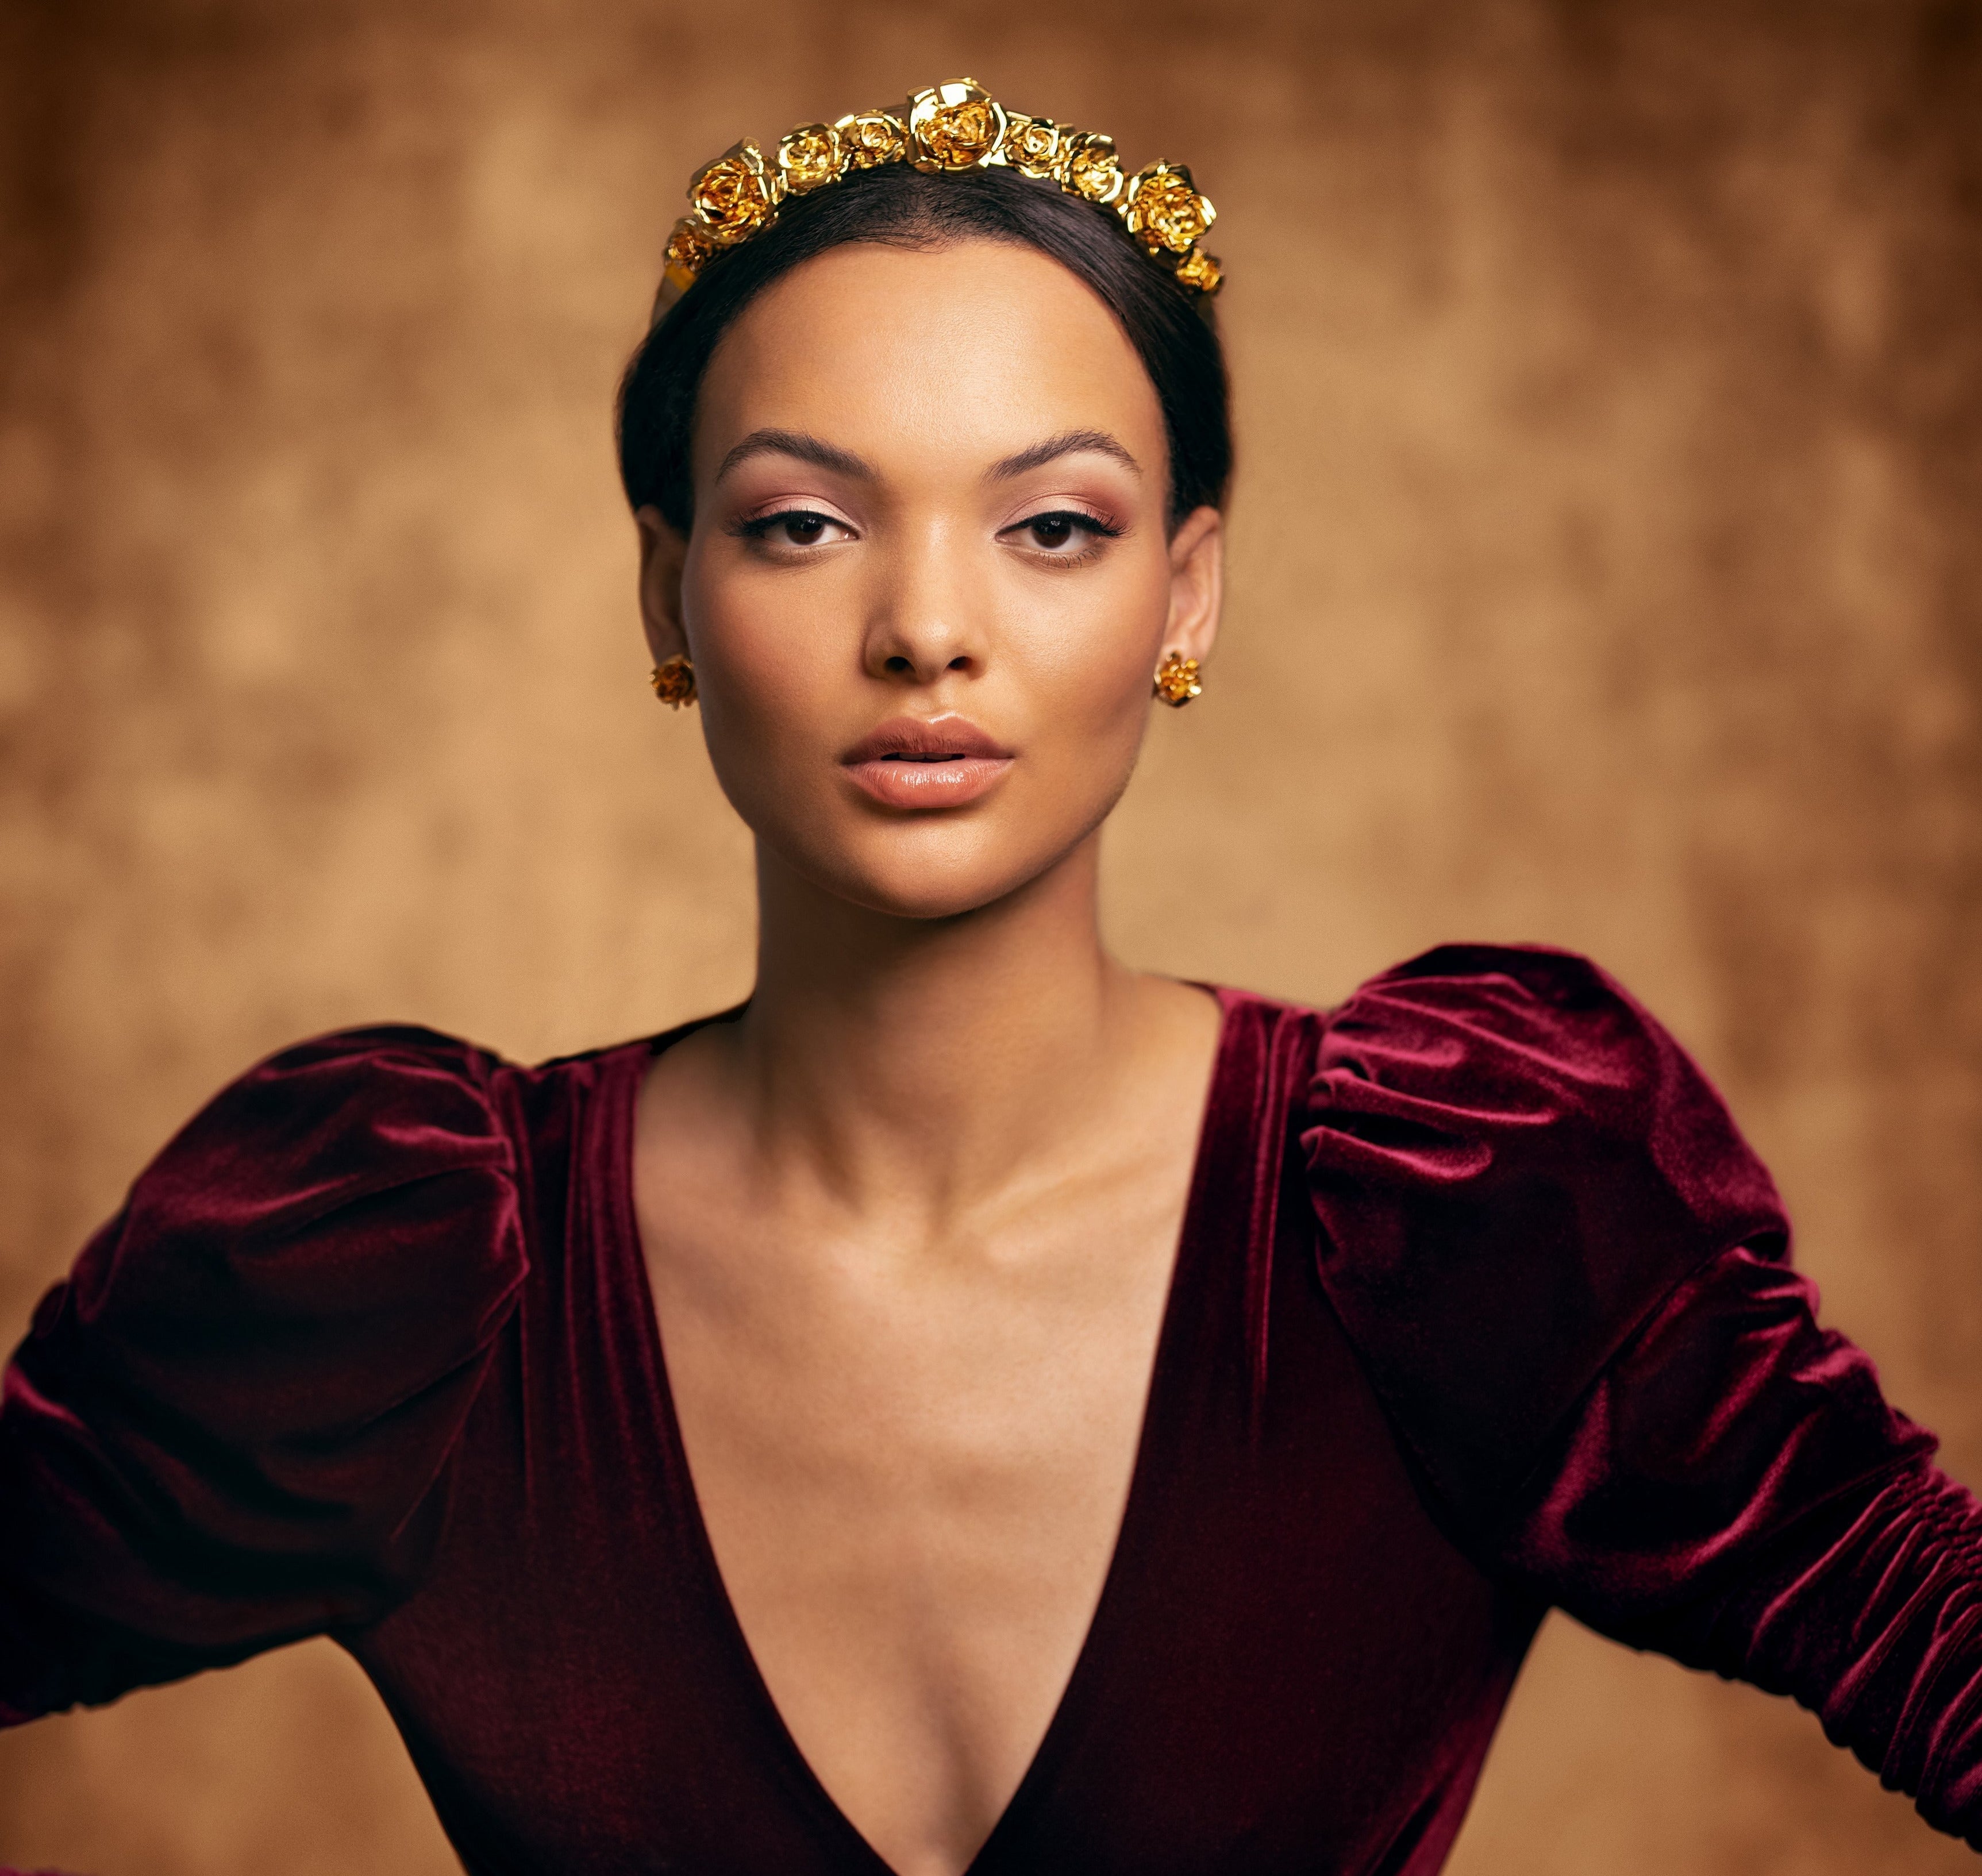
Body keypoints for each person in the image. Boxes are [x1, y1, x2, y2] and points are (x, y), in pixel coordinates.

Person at [1, 77, 1978, 1876]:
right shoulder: (407, 1271)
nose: (927, 627)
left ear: (1181, 589)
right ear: (662, 585)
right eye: (799, 523)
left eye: (1050, 526)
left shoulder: (1469, 1206)